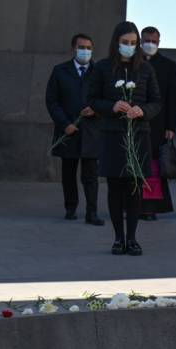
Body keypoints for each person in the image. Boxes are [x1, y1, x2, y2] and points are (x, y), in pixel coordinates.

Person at [87, 21, 161, 256]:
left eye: (133, 43)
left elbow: (156, 101)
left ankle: (133, 238)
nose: (129, 47)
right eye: (124, 43)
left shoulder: (146, 69)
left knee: (135, 187)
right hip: (113, 135)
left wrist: (143, 111)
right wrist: (112, 106)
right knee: (115, 186)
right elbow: (92, 99)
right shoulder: (102, 67)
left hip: (139, 135)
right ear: (116, 43)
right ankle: (118, 238)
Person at [45, 33, 104, 225]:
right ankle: (70, 208)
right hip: (69, 130)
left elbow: (106, 99)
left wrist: (95, 109)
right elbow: (52, 101)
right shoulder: (60, 71)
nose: (85, 51)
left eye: (89, 48)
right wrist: (65, 124)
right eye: (81, 47)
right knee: (68, 173)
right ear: (73, 48)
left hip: (91, 131)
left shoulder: (99, 71)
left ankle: (92, 212)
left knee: (90, 175)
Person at [138, 26, 176, 221]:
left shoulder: (168, 65)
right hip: (135, 121)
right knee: (136, 161)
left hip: (159, 124)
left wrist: (171, 126)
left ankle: (151, 207)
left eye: (153, 41)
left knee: (154, 165)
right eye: (146, 40)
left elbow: (172, 98)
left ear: (159, 42)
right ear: (140, 41)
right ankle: (134, 205)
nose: (150, 44)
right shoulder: (131, 62)